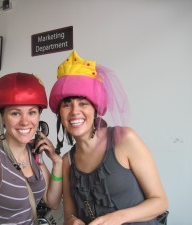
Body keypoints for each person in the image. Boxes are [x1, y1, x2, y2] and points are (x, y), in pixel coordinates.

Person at [49, 50, 168, 225]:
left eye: (83, 103)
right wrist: (73, 221)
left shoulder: (125, 139)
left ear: (96, 108)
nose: (75, 111)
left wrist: (118, 217)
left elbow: (160, 202)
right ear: (60, 113)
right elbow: (69, 215)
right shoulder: (67, 162)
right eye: (67, 104)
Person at [0, 72, 63, 225]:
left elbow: (52, 201)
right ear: (2, 118)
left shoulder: (33, 153)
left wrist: (57, 162)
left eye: (32, 112)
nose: (25, 122)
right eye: (15, 113)